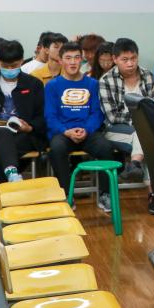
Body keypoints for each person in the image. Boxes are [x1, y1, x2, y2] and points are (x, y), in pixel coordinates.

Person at [44, 42, 116, 194]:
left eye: (76, 57)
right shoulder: (52, 85)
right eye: (68, 58)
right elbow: (50, 116)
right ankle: (66, 195)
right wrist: (66, 131)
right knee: (56, 148)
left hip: (87, 131)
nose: (73, 62)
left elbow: (97, 113)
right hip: (63, 133)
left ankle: (105, 194)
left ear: (81, 60)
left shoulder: (93, 84)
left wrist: (86, 130)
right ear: (60, 61)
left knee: (105, 147)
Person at [0, 40, 47, 183]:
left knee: (0, 151)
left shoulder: (34, 84)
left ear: (21, 61)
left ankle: (7, 180)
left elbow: (42, 115)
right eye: (5, 66)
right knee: (2, 135)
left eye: (13, 66)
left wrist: (30, 127)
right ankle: (12, 175)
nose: (9, 69)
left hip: (25, 135)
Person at [98, 38, 154, 211]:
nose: (130, 63)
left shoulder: (147, 76)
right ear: (115, 59)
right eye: (125, 59)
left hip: (142, 130)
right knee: (145, 136)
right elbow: (112, 116)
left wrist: (143, 121)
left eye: (133, 58)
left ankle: (135, 164)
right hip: (114, 130)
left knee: (146, 139)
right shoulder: (106, 80)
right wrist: (139, 119)